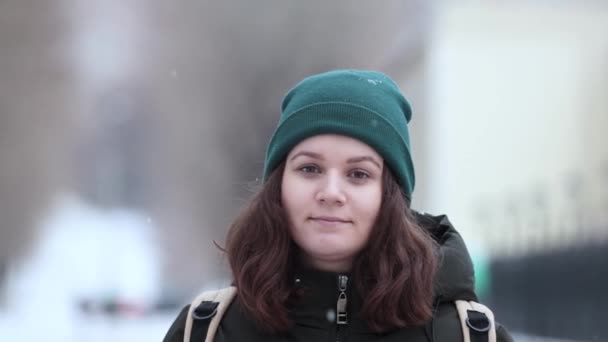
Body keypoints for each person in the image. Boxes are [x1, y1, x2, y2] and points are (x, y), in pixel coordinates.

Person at [163, 69, 513, 341]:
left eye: (358, 174)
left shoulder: (469, 336)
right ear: (279, 186)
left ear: (390, 195)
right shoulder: (207, 331)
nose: (331, 192)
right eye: (309, 168)